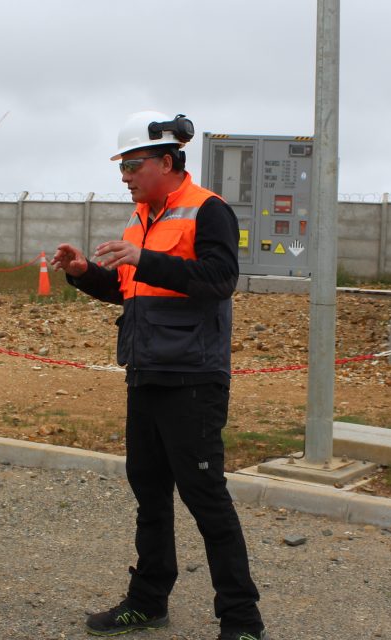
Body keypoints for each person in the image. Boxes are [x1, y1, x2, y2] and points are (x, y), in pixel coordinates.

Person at [51, 112, 267, 640]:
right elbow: (130, 292)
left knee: (205, 497)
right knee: (149, 492)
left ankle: (241, 621)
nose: (124, 176)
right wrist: (84, 275)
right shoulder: (139, 219)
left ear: (166, 162)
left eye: (132, 165)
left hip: (193, 379)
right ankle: (148, 600)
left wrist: (144, 259)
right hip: (145, 374)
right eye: (122, 167)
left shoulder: (208, 210)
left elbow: (219, 280)